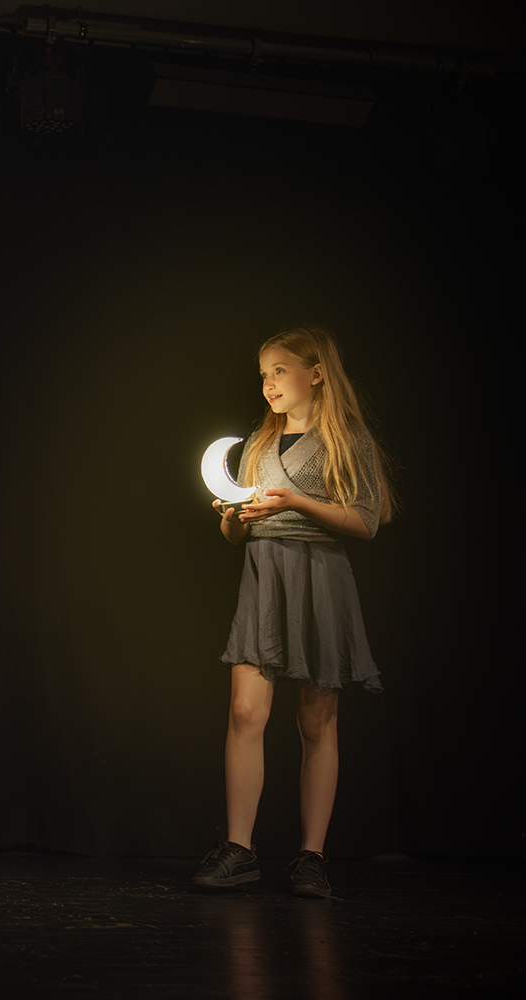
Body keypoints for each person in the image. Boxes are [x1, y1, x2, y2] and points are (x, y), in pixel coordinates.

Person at [193, 326, 394, 898]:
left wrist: (299, 503)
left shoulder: (345, 439)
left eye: (279, 370)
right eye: (263, 374)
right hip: (263, 576)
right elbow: (236, 533)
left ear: (317, 373)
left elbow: (367, 520)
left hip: (319, 577)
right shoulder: (259, 442)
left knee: (316, 721)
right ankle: (239, 849)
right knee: (245, 712)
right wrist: (233, 519)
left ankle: (312, 856)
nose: (269, 383)